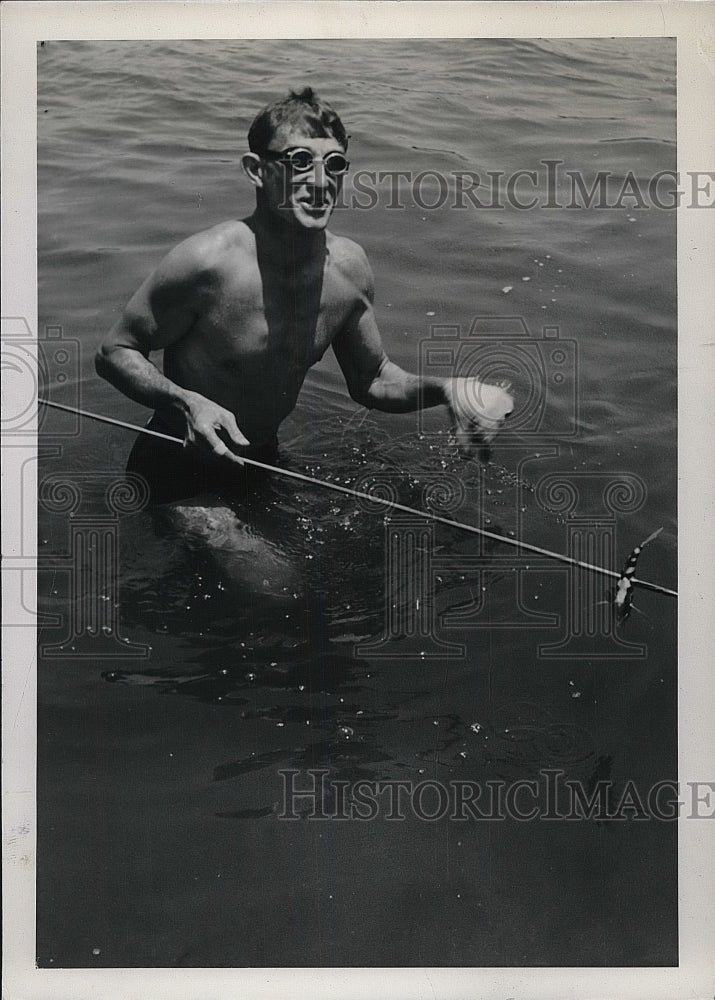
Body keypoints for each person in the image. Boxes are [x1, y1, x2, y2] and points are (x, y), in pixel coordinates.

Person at [96, 87, 513, 509]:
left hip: (260, 459)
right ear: (256, 170)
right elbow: (115, 350)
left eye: (333, 165)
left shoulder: (348, 269)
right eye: (298, 162)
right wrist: (185, 402)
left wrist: (450, 389)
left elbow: (372, 379)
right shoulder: (207, 262)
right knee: (272, 577)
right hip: (177, 464)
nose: (319, 182)